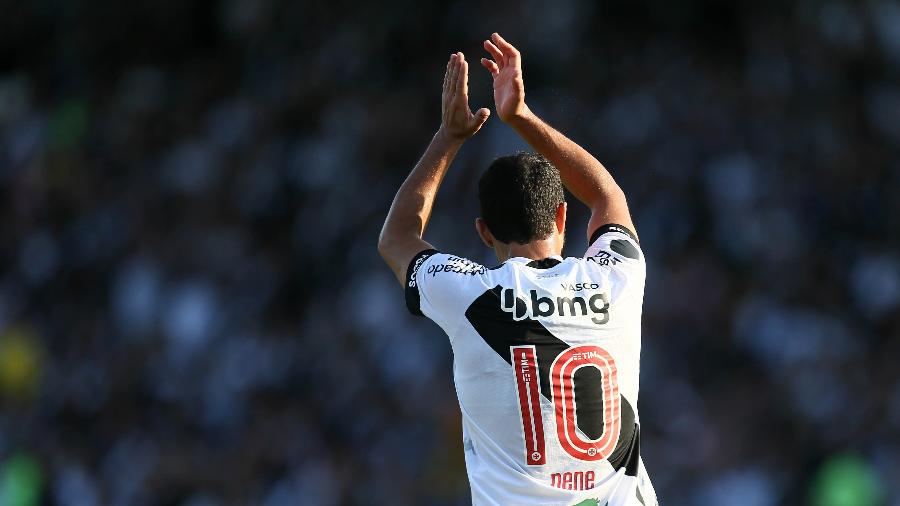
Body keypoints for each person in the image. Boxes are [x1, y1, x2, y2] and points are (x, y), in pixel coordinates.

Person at [378, 33, 658, 506]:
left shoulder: (469, 297)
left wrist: (449, 136)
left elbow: (397, 239)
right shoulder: (616, 281)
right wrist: (521, 116)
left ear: (484, 232)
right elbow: (607, 197)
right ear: (563, 218)